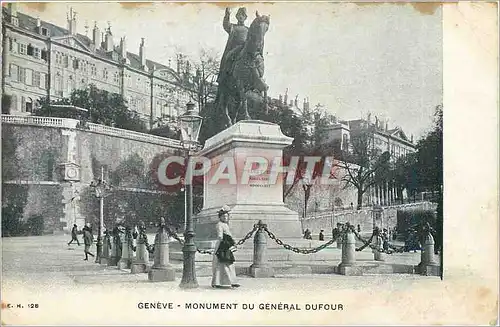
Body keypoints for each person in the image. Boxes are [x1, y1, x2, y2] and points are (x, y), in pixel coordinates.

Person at [217, 7, 249, 86]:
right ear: (237, 16)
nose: (241, 16)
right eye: (239, 14)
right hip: (233, 50)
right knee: (228, 59)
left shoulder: (248, 30)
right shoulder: (232, 27)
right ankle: (224, 77)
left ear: (245, 18)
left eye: (243, 15)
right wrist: (227, 15)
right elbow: (225, 25)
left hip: (243, 51)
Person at [212, 205, 239, 289]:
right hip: (223, 245)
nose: (225, 217)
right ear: (220, 217)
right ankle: (221, 282)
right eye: (223, 216)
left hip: (226, 244)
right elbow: (220, 236)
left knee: (227, 263)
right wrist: (217, 248)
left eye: (227, 216)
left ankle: (228, 281)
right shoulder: (220, 225)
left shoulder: (224, 224)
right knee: (223, 263)